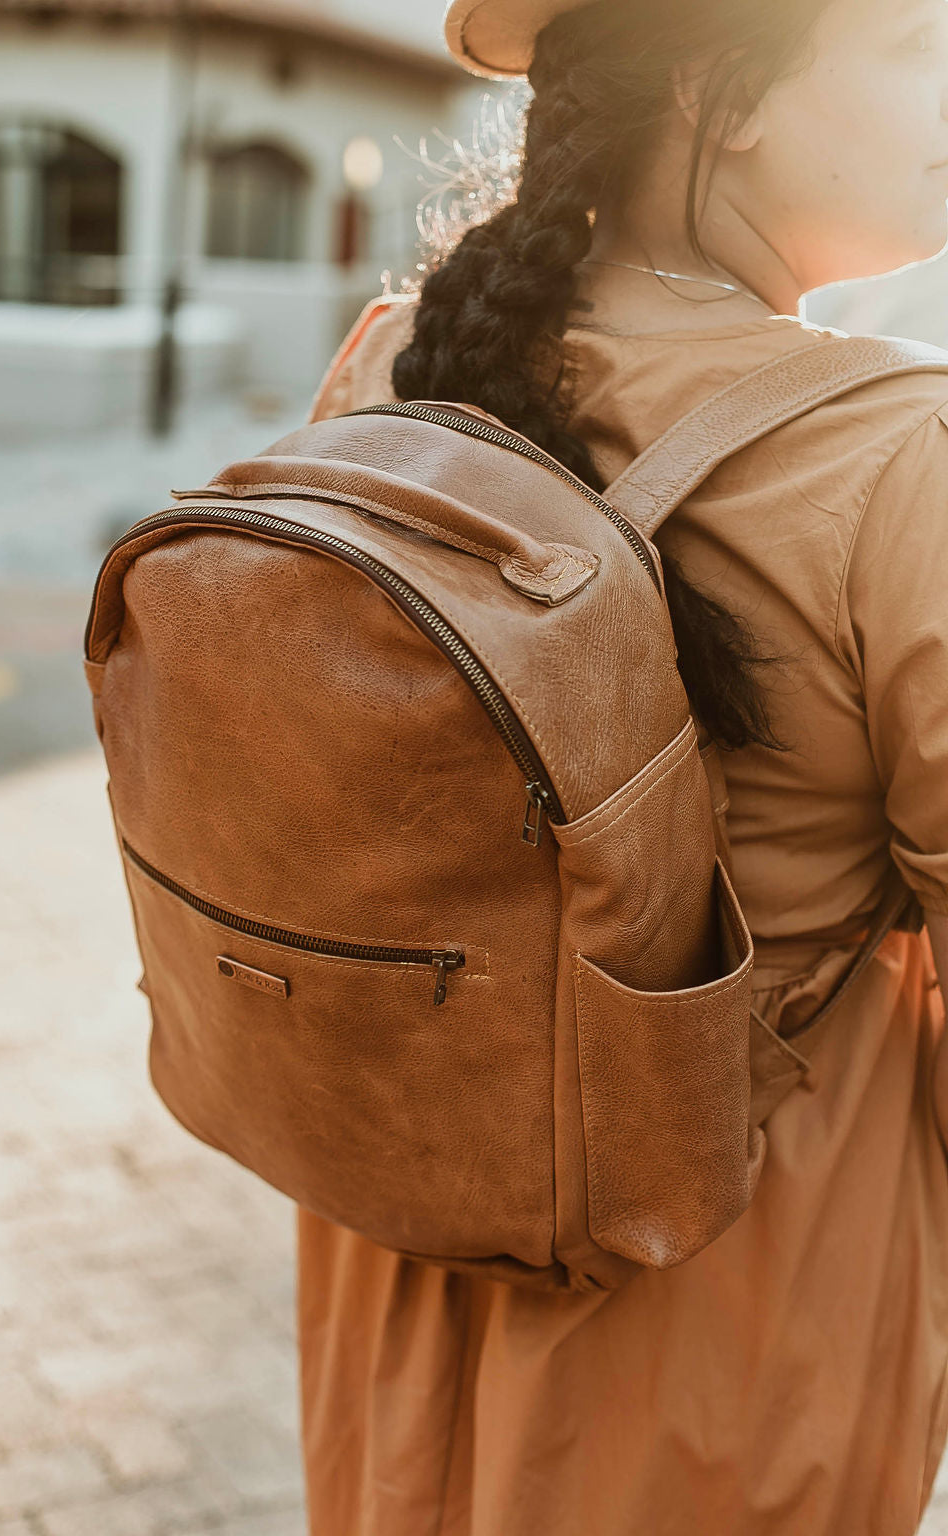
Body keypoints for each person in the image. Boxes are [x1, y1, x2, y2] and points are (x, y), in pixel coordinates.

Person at [296, 0, 948, 1530]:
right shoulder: (902, 452)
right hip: (728, 1303)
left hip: (400, 1264)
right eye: (915, 45)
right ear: (727, 94)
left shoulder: (395, 356)